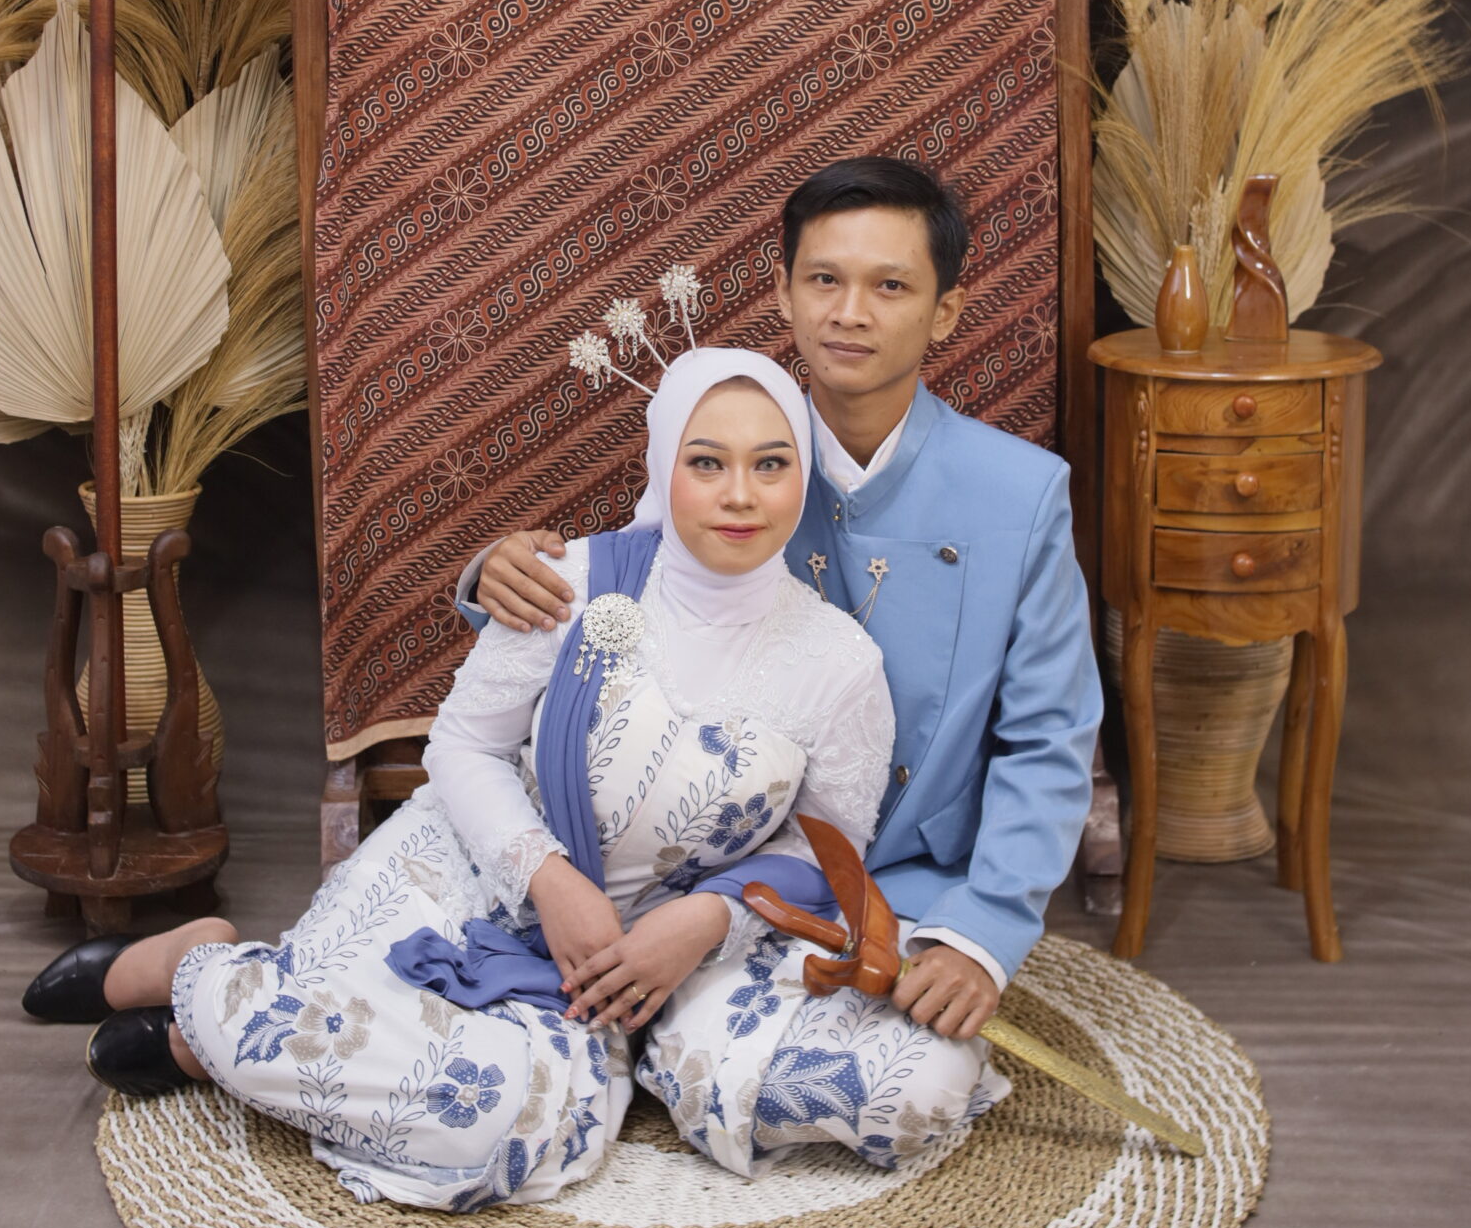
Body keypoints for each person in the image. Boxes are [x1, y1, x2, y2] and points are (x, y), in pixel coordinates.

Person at [24, 348, 1004, 1208]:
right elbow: (461, 749)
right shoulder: (571, 583)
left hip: (695, 944)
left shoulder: (838, 662)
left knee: (916, 1083)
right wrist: (548, 878)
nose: (739, 494)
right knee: (492, 1125)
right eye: (706, 462)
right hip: (480, 876)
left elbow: (827, 847)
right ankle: (204, 977)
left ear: (804, 474)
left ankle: (652, 1054)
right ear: (663, 464)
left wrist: (702, 922)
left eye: (770, 463)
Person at [466, 157, 1102, 1041]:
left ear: (946, 311)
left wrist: (982, 930)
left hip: (909, 889)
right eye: (823, 280)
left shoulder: (1020, 492)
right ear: (782, 292)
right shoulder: (735, 441)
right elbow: (625, 585)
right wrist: (497, 576)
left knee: (890, 1085)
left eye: (889, 286)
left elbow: (1048, 736)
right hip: (714, 875)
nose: (849, 312)